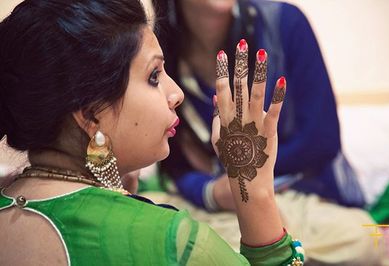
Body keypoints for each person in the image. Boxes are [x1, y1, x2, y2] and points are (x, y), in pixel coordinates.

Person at [0, 0, 304, 265]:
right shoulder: (172, 242)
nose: (176, 94)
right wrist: (255, 192)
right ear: (92, 115)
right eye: (154, 76)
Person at [156, 0, 365, 210]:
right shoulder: (161, 47)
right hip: (220, 203)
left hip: (303, 192)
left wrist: (237, 168)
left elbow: (322, 141)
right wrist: (211, 192)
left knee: (359, 235)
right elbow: (174, 164)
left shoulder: (283, 22)